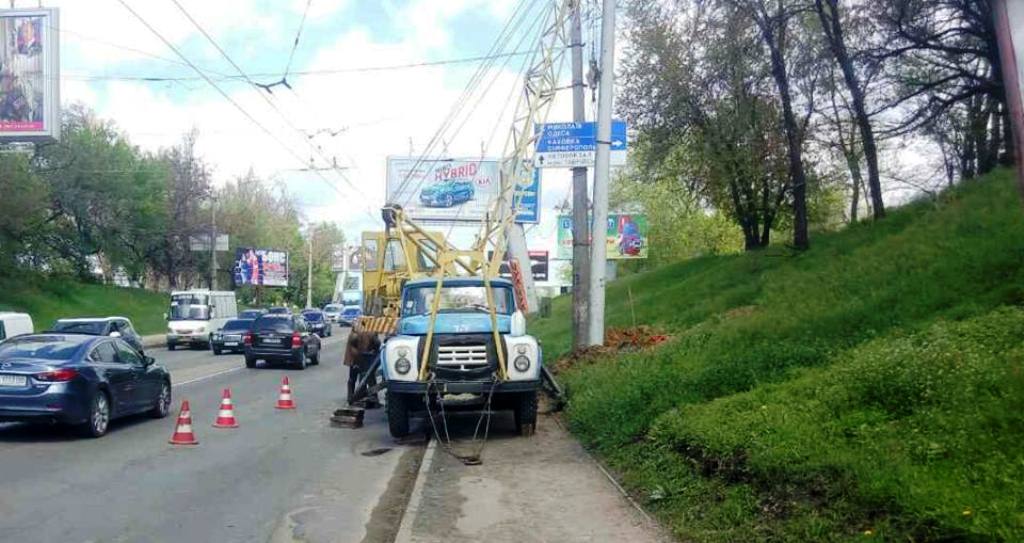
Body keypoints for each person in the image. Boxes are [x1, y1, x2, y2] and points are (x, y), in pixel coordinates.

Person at [344, 325, 381, 408]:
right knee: (363, 378)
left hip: (362, 358)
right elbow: (377, 344)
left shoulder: (358, 332)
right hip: (358, 358)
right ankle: (355, 396)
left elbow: (376, 345)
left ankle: (355, 396)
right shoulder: (364, 333)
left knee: (359, 377)